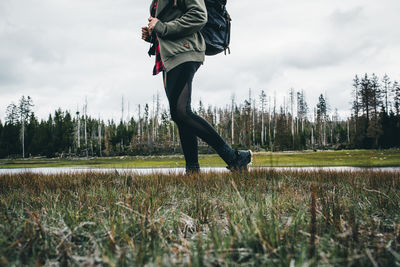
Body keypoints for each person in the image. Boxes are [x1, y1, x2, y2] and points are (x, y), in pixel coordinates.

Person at [142, 0, 252, 174]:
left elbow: (199, 16)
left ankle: (234, 157)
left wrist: (162, 27)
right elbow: (171, 19)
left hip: (185, 51)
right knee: (180, 115)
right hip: (169, 55)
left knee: (181, 112)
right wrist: (152, 34)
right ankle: (193, 170)